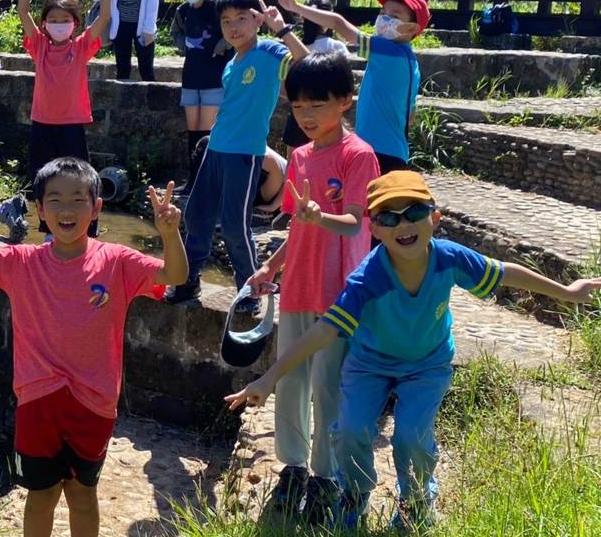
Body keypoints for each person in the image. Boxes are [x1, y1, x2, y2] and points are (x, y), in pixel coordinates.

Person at [226, 170, 601, 532]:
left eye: (415, 213)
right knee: (351, 429)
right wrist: (269, 377)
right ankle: (353, 497)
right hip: (369, 365)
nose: (404, 225)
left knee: (411, 436)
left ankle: (416, 502)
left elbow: (504, 271)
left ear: (435, 218)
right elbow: (325, 330)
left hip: (427, 365)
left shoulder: (449, 258)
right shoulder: (367, 279)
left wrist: (567, 292)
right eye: (389, 217)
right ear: (374, 229)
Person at [0, 157, 186, 537]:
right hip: (38, 399)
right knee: (40, 496)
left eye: (77, 200)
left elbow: (174, 275)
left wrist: (170, 233)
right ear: (40, 209)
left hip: (94, 401)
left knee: (83, 494)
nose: (66, 210)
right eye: (54, 200)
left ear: (96, 207)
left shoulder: (117, 261)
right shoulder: (22, 261)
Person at [241, 52, 379, 525]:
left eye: (316, 104)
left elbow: (356, 223)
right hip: (298, 286)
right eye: (298, 105)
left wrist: (323, 215)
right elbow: (298, 229)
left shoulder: (359, 155)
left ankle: (325, 477)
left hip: (339, 294)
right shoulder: (299, 156)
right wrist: (271, 269)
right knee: (291, 382)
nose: (306, 115)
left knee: (328, 387)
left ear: (345, 101)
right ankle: (293, 468)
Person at [167, 0, 309, 308]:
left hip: (244, 153)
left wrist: (282, 29)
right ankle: (189, 283)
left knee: (234, 224)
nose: (233, 27)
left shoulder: (271, 52)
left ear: (257, 20)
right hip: (216, 149)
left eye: (241, 18)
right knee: (197, 215)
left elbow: (307, 63)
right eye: (226, 20)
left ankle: (250, 291)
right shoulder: (232, 62)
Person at [275, 0, 427, 173]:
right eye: (382, 13)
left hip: (377, 150)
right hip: (396, 151)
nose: (385, 19)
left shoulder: (388, 50)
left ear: (412, 29)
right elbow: (411, 115)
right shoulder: (411, 62)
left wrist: (296, 6)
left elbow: (338, 23)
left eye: (394, 15)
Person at [16, 0, 112, 238]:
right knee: (43, 179)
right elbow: (22, 11)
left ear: (74, 23)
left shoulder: (80, 46)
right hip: (42, 123)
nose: (59, 24)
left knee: (80, 178)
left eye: (64, 19)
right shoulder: (40, 46)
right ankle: (48, 229)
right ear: (45, 23)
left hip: (71, 125)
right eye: (53, 20)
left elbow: (105, 14)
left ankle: (87, 230)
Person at [170, 0, 231, 190]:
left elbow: (233, 31)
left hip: (214, 76)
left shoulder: (219, 7)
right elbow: (175, 33)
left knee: (206, 130)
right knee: (193, 129)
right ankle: (192, 180)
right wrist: (183, 45)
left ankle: (205, 180)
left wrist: (221, 45)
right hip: (191, 75)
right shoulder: (183, 11)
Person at [281, 0, 349, 151]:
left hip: (297, 119)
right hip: (327, 118)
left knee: (293, 168)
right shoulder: (337, 47)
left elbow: (284, 89)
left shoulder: (291, 48)